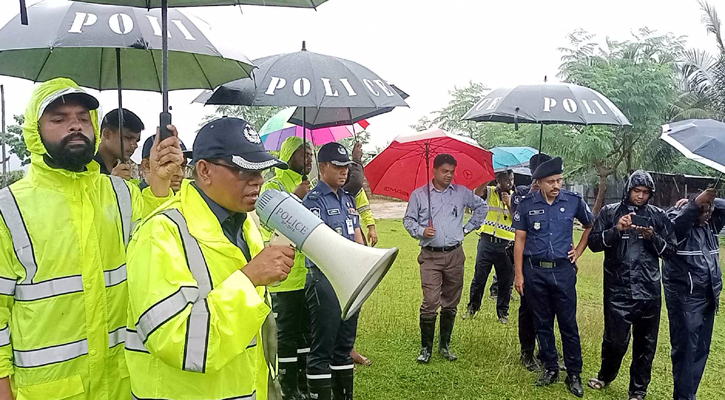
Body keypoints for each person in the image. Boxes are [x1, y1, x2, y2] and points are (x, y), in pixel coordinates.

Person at [0, 78, 181, 399]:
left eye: (83, 118)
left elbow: (160, 247)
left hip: (123, 383)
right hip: (50, 390)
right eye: (59, 119)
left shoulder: (122, 194)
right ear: (34, 130)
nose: (75, 126)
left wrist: (161, 185)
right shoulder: (8, 208)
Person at [125, 116, 294, 400]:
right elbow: (179, 341)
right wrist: (250, 278)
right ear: (203, 170)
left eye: (262, 170)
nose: (258, 181)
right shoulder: (160, 233)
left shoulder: (245, 223)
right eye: (244, 170)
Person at [586, 170, 677, 400]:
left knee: (646, 345)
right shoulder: (610, 212)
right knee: (614, 340)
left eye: (645, 192)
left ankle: (638, 390)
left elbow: (671, 251)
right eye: (637, 191)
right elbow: (594, 244)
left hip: (649, 291)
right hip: (618, 289)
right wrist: (617, 230)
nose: (640, 196)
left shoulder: (658, 216)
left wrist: (652, 237)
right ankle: (605, 375)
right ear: (629, 190)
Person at [512, 156, 594, 397]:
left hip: (562, 271)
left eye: (559, 180)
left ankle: (574, 373)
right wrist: (519, 274)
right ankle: (550, 368)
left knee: (568, 324)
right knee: (543, 323)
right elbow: (520, 240)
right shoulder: (527, 204)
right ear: (539, 182)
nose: (556, 185)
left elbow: (590, 225)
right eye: (551, 181)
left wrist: (578, 251)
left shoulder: (573, 201)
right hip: (535, 271)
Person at [403, 154, 488, 364]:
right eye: (445, 171)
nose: (449, 175)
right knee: (430, 301)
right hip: (430, 256)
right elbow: (408, 220)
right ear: (434, 170)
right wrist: (422, 230)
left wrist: (467, 228)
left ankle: (445, 345)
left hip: (455, 255)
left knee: (451, 302)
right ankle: (425, 348)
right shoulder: (420, 195)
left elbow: (482, 207)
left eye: (452, 171)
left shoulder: (461, 193)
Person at [302, 142, 364, 400]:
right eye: (338, 166)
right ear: (323, 166)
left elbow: (358, 239)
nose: (344, 172)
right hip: (325, 280)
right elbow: (317, 246)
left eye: (346, 167)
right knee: (322, 349)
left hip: (351, 280)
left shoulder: (348, 199)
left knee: (344, 346)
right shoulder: (313, 201)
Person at [260, 136, 313, 400]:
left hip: (307, 275)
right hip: (286, 278)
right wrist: (295, 197)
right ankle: (287, 385)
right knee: (287, 336)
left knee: (305, 335)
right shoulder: (274, 185)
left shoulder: (310, 185)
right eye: (303, 154)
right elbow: (269, 222)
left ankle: (303, 383)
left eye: (311, 154)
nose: (309, 159)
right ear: (289, 155)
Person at [663, 188, 725, 400]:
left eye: (711, 210)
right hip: (685, 298)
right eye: (704, 209)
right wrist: (693, 204)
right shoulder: (677, 220)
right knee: (685, 352)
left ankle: (689, 395)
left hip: (708, 296)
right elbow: (674, 229)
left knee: (700, 351)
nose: (708, 213)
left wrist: (710, 199)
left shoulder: (710, 226)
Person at [510, 153, 550, 371]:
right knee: (528, 307)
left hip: (551, 261)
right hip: (528, 259)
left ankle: (546, 350)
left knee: (549, 308)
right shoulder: (522, 194)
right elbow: (517, 219)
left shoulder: (556, 196)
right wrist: (534, 194)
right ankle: (527, 351)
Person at [464, 169, 515, 323]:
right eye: (505, 179)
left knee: (505, 281)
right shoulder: (490, 192)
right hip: (486, 242)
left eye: (511, 179)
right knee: (479, 278)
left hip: (506, 245)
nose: (508, 183)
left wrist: (509, 203)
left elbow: (520, 219)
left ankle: (503, 314)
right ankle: (472, 308)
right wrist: (487, 177)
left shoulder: (516, 197)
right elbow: (477, 192)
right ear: (497, 180)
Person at [95, 107, 144, 179]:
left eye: (137, 141)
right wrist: (112, 182)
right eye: (128, 137)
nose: (135, 145)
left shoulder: (132, 170)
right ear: (107, 134)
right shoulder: (83, 165)